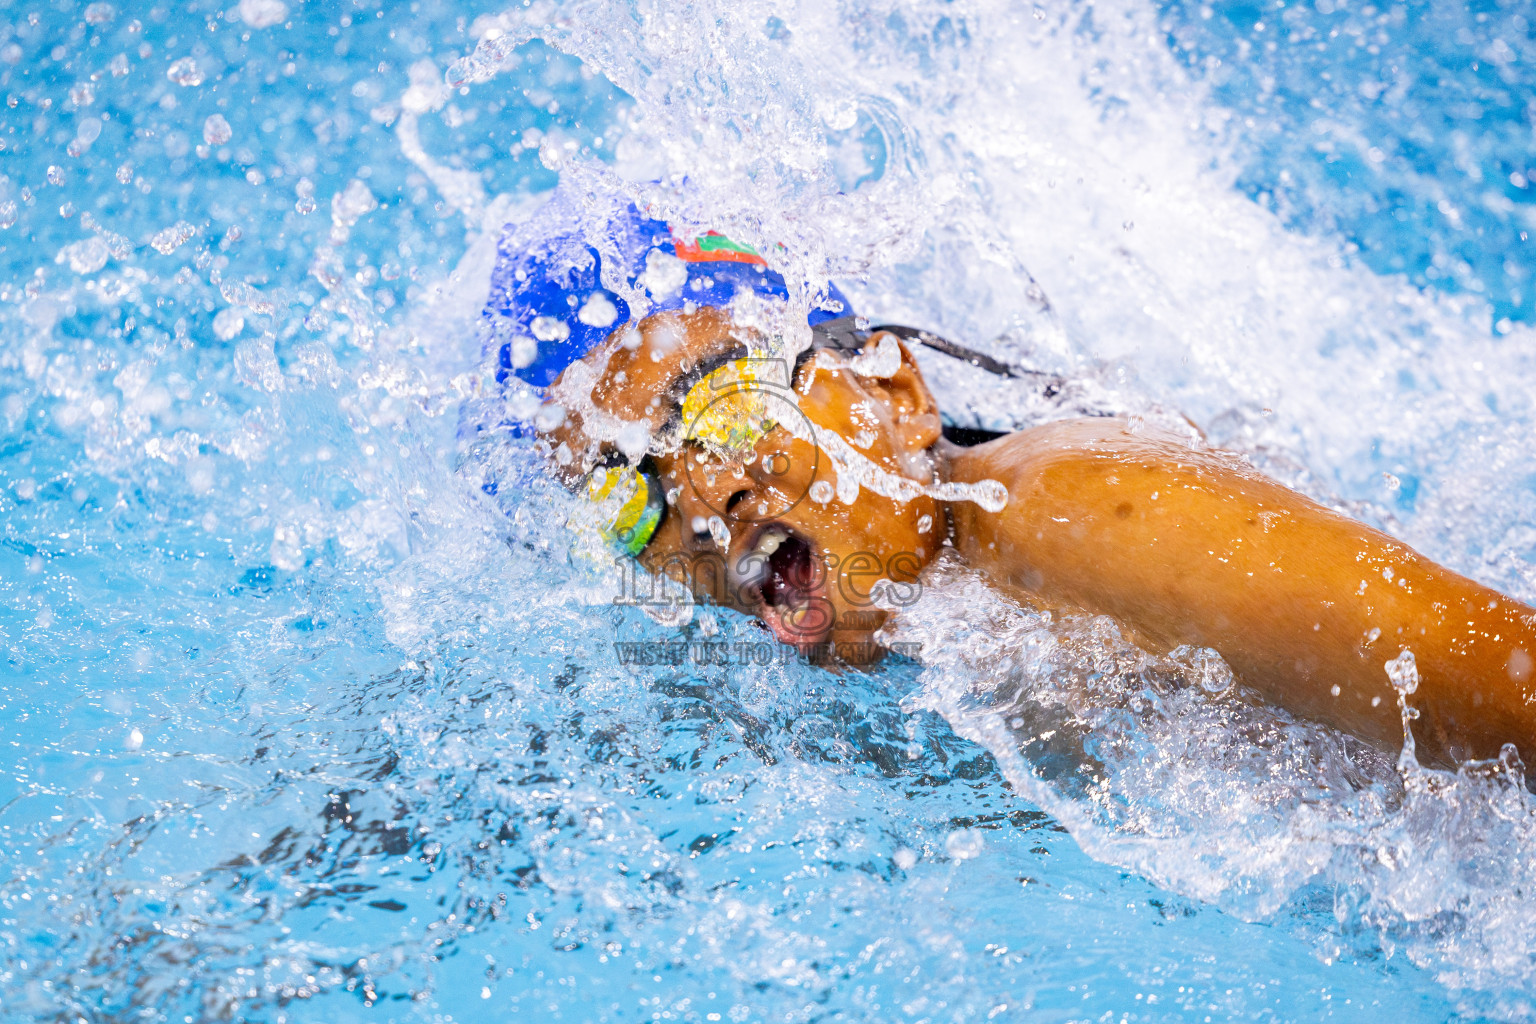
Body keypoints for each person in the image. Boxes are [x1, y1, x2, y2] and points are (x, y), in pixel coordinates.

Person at [482, 196, 1536, 771]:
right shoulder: (850, 656)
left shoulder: (1069, 511)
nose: (701, 495)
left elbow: (1504, 687)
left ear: (894, 387)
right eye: (629, 495)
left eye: (720, 405)